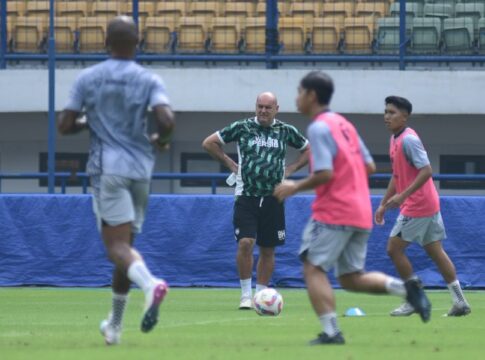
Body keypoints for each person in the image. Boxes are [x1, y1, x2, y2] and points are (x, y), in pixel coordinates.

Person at [274, 71, 431, 346]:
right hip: (360, 210)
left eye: (299, 92)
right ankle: (407, 288)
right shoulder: (344, 125)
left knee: (313, 268)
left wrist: (293, 187)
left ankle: (332, 332)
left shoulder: (319, 127)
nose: (296, 98)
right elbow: (369, 166)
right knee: (350, 278)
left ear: (311, 95)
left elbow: (323, 173)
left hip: (334, 211)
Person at [58, 16, 175, 345]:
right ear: (137, 42)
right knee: (127, 251)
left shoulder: (89, 77)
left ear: (106, 43)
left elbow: (64, 125)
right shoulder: (149, 78)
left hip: (107, 168)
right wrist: (162, 139)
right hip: (142, 169)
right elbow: (167, 119)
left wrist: (88, 120)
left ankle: (151, 285)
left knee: (117, 248)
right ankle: (115, 326)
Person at [202, 92, 309, 309]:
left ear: (276, 109)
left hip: (274, 196)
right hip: (246, 195)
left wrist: (292, 168)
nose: (263, 111)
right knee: (246, 242)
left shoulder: (286, 131)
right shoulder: (243, 127)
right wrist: (231, 164)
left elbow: (309, 149)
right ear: (255, 107)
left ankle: (260, 296)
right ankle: (245, 294)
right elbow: (209, 143)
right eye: (260, 106)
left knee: (268, 249)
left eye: (268, 107)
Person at [374, 96, 471, 317]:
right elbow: (397, 175)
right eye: (386, 112)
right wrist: (382, 204)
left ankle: (413, 299)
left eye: (392, 112)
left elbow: (426, 170)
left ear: (405, 116)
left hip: (418, 205)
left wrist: (402, 196)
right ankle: (460, 302)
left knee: (393, 249)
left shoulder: (409, 140)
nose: (387, 116)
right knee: (435, 251)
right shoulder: (394, 139)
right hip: (426, 203)